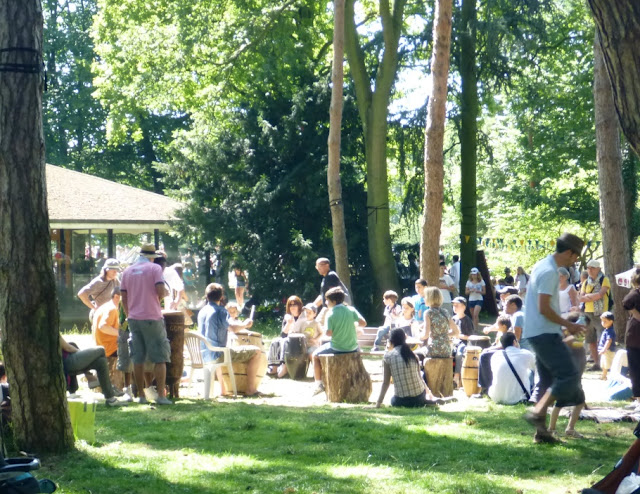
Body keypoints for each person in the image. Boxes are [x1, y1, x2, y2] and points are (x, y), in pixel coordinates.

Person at [522, 233, 586, 444]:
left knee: (547, 381)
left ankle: (541, 434)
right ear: (568, 252)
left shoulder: (542, 265)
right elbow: (544, 308)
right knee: (569, 375)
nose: (574, 261)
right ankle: (537, 412)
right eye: (575, 257)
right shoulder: (550, 272)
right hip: (545, 333)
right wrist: (570, 325)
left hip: (537, 331)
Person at [120, 243, 173, 405]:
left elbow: (123, 297)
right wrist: (162, 296)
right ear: (152, 257)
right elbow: (160, 291)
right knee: (160, 357)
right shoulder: (155, 269)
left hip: (134, 319)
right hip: (152, 317)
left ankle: (141, 396)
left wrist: (129, 315)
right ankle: (161, 396)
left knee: (138, 358)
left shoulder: (127, 271)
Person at [198, 283, 262, 396]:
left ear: (206, 296)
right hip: (217, 354)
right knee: (257, 352)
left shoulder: (202, 311)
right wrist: (245, 324)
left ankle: (223, 390)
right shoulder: (221, 311)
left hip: (202, 354)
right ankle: (251, 389)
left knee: (218, 350)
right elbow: (232, 328)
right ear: (221, 297)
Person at [312, 287, 366, 395]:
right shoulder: (351, 309)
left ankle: (318, 384)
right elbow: (363, 323)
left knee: (314, 355)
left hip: (337, 347)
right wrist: (351, 325)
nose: (325, 303)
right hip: (353, 347)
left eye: (327, 300)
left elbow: (328, 333)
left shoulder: (330, 313)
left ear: (333, 301)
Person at [376, 329, 438, 408]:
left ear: (391, 341)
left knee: (392, 400)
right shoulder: (413, 355)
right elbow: (420, 378)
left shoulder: (387, 357)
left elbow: (386, 383)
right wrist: (429, 394)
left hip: (401, 401)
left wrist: (378, 403)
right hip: (420, 398)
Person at [60, 335, 126, 407]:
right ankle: (93, 379)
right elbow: (67, 348)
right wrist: (81, 353)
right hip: (67, 362)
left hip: (66, 363)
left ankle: (111, 399)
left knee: (101, 362)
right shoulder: (52, 331)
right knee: (101, 349)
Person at [578, 259, 611, 371]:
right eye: (588, 268)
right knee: (591, 340)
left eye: (592, 268)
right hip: (587, 313)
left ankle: (605, 364)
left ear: (598, 269)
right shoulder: (586, 282)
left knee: (603, 338)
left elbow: (600, 294)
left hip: (601, 314)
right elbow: (581, 297)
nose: (590, 270)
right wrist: (592, 296)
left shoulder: (604, 279)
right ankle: (597, 363)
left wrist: (588, 297)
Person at [488, 332, 535, 405]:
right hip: (519, 398)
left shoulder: (495, 355)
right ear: (514, 342)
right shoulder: (526, 354)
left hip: (497, 398)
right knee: (529, 372)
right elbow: (537, 370)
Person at [92, 287, 124, 392]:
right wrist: (121, 334)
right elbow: (103, 326)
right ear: (117, 296)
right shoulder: (112, 309)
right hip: (110, 348)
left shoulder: (104, 307)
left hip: (101, 347)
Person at [268, 296, 304, 376]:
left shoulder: (303, 316)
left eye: (295, 305)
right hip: (288, 338)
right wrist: (289, 323)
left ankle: (284, 366)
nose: (292, 307)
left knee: (285, 341)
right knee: (275, 341)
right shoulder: (287, 317)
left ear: (299, 306)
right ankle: (274, 367)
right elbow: (283, 334)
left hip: (299, 340)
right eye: (290, 305)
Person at [419, 287, 460, 358]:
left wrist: (418, 336)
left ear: (429, 298)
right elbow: (456, 332)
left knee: (415, 353)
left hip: (433, 349)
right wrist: (443, 335)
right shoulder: (445, 312)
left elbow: (425, 335)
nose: (424, 299)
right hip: (446, 350)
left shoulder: (428, 313)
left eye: (425, 297)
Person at [623, 268, 640, 410]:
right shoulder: (635, 294)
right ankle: (639, 399)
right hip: (635, 337)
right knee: (635, 368)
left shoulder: (634, 294)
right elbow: (627, 303)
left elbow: (627, 302)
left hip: (635, 336)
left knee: (636, 368)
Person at [452, 296, 474, 388]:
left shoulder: (467, 320)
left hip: (463, 343)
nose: (455, 307)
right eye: (454, 305)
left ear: (464, 307)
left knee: (459, 354)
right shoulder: (453, 319)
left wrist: (457, 335)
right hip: (453, 342)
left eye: (457, 305)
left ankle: (457, 376)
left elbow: (470, 337)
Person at [598, 311, 616, 381]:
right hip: (605, 351)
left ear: (611, 321)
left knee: (610, 364)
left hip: (609, 350)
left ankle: (612, 376)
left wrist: (604, 349)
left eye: (605, 321)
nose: (603, 323)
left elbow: (609, 340)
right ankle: (604, 375)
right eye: (602, 321)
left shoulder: (610, 331)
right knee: (604, 364)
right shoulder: (606, 330)